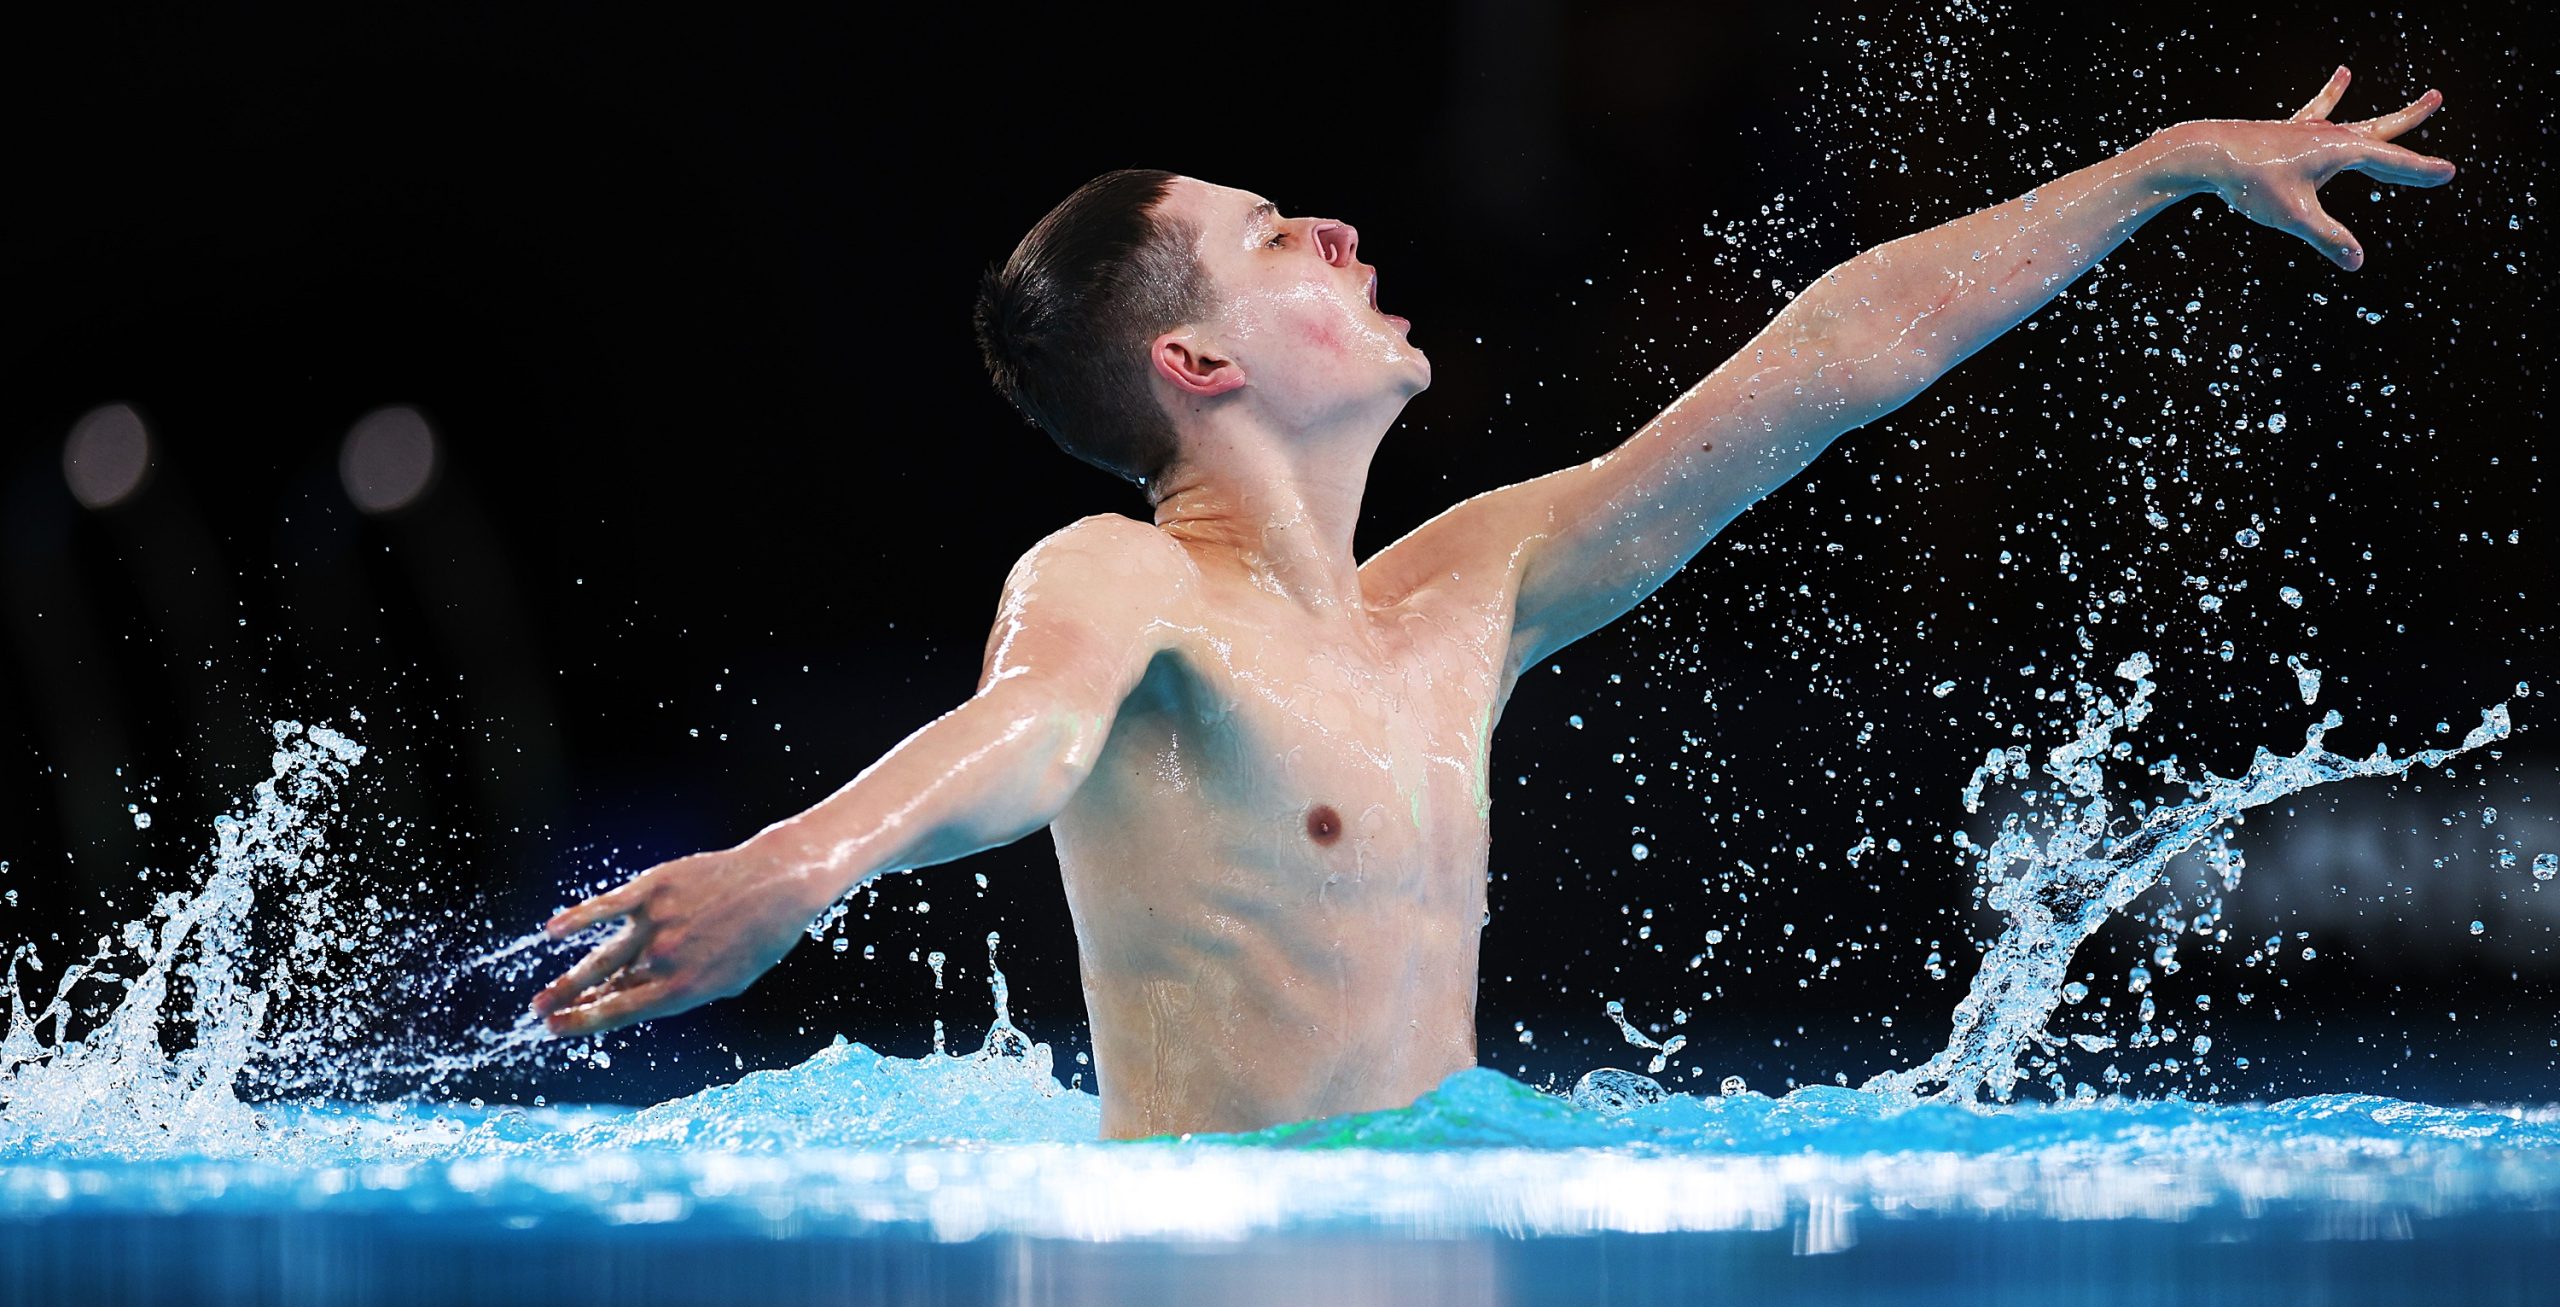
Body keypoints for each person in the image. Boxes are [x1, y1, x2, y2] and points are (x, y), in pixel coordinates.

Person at [532, 68, 2452, 1138]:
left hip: (1432, 1216)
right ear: (1196, 359)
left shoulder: (1465, 588)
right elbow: (1019, 739)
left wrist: (2149, 172)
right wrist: (793, 868)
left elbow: (1823, 363)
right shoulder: (1117, 579)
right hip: (1219, 1288)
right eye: (1285, 236)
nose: (1344, 230)